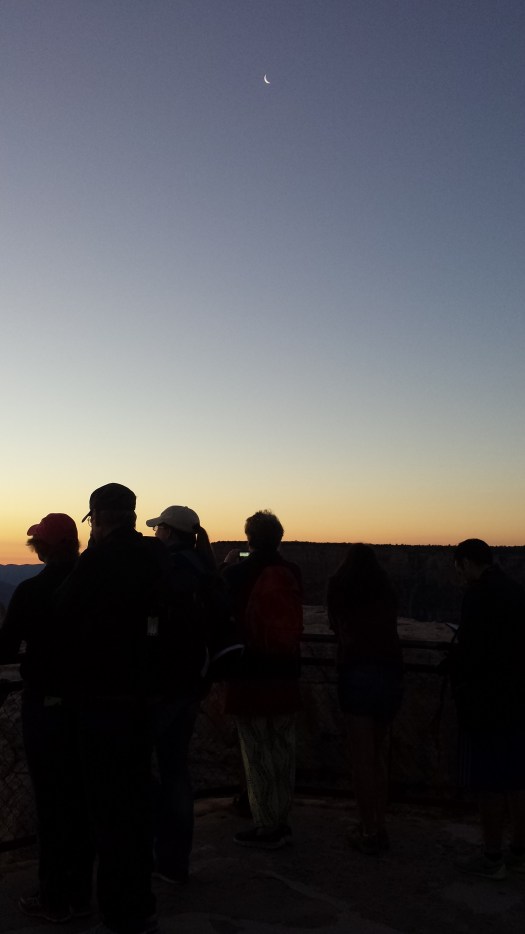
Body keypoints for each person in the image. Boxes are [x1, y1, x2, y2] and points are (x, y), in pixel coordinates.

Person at [54, 484, 171, 934]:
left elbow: (62, 609)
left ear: (98, 517)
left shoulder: (98, 560)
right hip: (145, 700)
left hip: (101, 702)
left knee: (107, 810)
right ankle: (141, 904)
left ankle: (120, 912)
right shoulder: (156, 556)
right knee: (137, 804)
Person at [0, 514, 94, 922]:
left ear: (44, 547)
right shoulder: (97, 589)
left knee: (52, 806)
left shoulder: (32, 590)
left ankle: (54, 897)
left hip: (47, 709)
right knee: (82, 802)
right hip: (92, 708)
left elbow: (5, 649)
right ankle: (81, 894)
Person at [222, 510, 303, 850]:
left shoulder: (238, 572)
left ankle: (265, 822)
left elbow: (220, 603)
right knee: (283, 749)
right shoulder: (292, 571)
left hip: (250, 674)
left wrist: (226, 566)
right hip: (286, 671)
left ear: (249, 539)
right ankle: (281, 819)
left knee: (256, 751)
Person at [144, 504, 214, 885]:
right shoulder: (205, 568)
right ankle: (174, 861)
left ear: (169, 532)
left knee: (141, 767)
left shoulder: (170, 569)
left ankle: (155, 850)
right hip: (192, 684)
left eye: (159, 529)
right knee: (176, 771)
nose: (156, 534)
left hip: (163, 687)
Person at [451, 538, 525, 880]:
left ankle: (492, 854)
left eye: (459, 567)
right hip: (517, 698)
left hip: (486, 703)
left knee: (489, 783)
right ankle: (520, 853)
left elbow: (470, 653)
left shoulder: (477, 596)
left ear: (466, 562)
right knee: (517, 780)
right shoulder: (515, 590)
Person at [327, 543, 402, 856]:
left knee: (362, 759)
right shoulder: (385, 587)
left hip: (357, 671)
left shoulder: (340, 586)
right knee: (378, 755)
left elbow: (335, 626)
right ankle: (380, 825)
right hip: (390, 672)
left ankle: (369, 830)